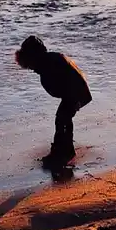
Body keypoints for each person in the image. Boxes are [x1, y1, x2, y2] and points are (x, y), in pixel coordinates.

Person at [15, 36, 92, 169]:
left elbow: (70, 81)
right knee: (62, 118)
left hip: (75, 92)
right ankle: (60, 150)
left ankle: (66, 152)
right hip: (72, 92)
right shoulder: (47, 61)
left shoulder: (50, 64)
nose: (31, 69)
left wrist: (75, 101)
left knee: (63, 118)